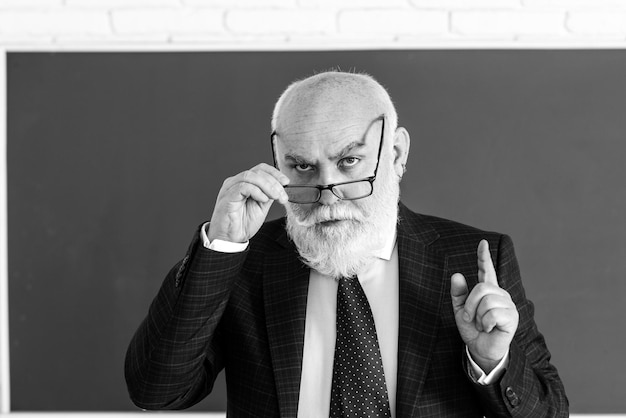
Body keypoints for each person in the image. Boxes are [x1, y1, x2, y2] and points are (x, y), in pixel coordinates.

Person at [125, 70, 568, 417]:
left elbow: (549, 412)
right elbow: (156, 390)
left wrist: (491, 362)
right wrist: (219, 248)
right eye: (301, 167)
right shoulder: (243, 262)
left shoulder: (476, 258)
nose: (328, 192)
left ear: (395, 155)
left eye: (350, 161)